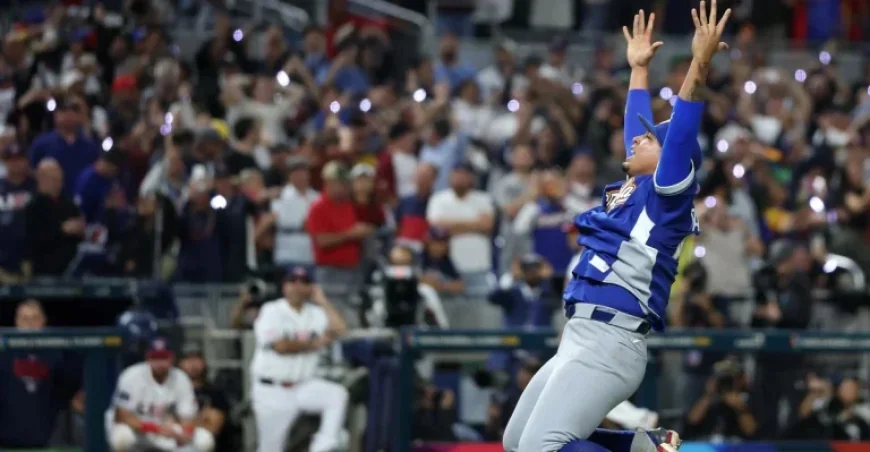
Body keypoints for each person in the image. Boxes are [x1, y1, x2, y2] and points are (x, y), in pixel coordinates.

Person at [502, 4, 731, 452]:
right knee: (515, 443)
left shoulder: (667, 196)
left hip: (614, 338)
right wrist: (638, 71)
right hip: (580, 336)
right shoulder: (634, 186)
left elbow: (681, 130)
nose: (639, 138)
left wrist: (699, 64)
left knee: (540, 449)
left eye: (651, 138)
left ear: (669, 160)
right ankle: (640, 446)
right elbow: (637, 133)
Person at [249, 266, 349, 452]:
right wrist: (315, 344)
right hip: (272, 390)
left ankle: (323, 446)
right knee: (270, 449)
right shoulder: (271, 311)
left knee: (336, 395)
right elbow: (280, 346)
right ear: (284, 287)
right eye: (292, 281)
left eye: (303, 282)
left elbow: (341, 330)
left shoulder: (316, 313)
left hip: (303, 387)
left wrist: (323, 301)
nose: (297, 286)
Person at [106, 337, 215, 452]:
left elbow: (187, 416)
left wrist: (185, 432)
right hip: (139, 431)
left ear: (172, 358)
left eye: (164, 357)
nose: (160, 363)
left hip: (168, 431)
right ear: (147, 358)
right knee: (122, 436)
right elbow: (123, 415)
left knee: (204, 440)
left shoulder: (181, 378)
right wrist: (155, 429)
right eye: (155, 357)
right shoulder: (132, 376)